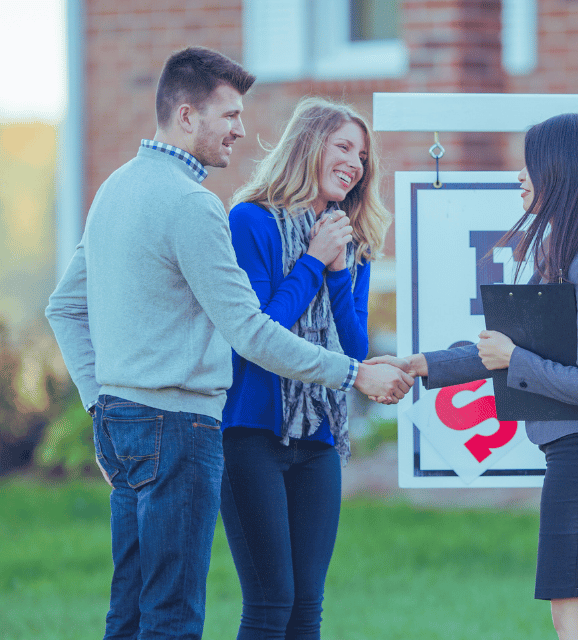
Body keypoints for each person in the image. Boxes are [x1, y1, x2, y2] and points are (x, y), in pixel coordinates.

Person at [45, 47, 411, 640]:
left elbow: (63, 307)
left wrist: (100, 403)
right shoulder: (203, 208)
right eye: (230, 116)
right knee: (173, 616)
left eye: (362, 155)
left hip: (131, 419)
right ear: (188, 116)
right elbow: (250, 332)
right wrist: (351, 371)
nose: (242, 130)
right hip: (187, 425)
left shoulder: (115, 187)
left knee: (135, 610)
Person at [368, 113, 578, 640]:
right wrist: (419, 365)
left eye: (532, 164)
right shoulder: (574, 257)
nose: (521, 176)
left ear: (564, 172)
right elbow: (508, 351)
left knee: (576, 623)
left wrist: (515, 360)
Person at [217, 97, 390, 638]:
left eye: (362, 155)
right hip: (251, 433)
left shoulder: (350, 239)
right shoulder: (250, 222)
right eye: (343, 147)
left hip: (318, 437)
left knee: (307, 606)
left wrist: (338, 272)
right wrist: (312, 262)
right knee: (271, 604)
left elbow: (354, 349)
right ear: (309, 147)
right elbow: (259, 332)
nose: (355, 163)